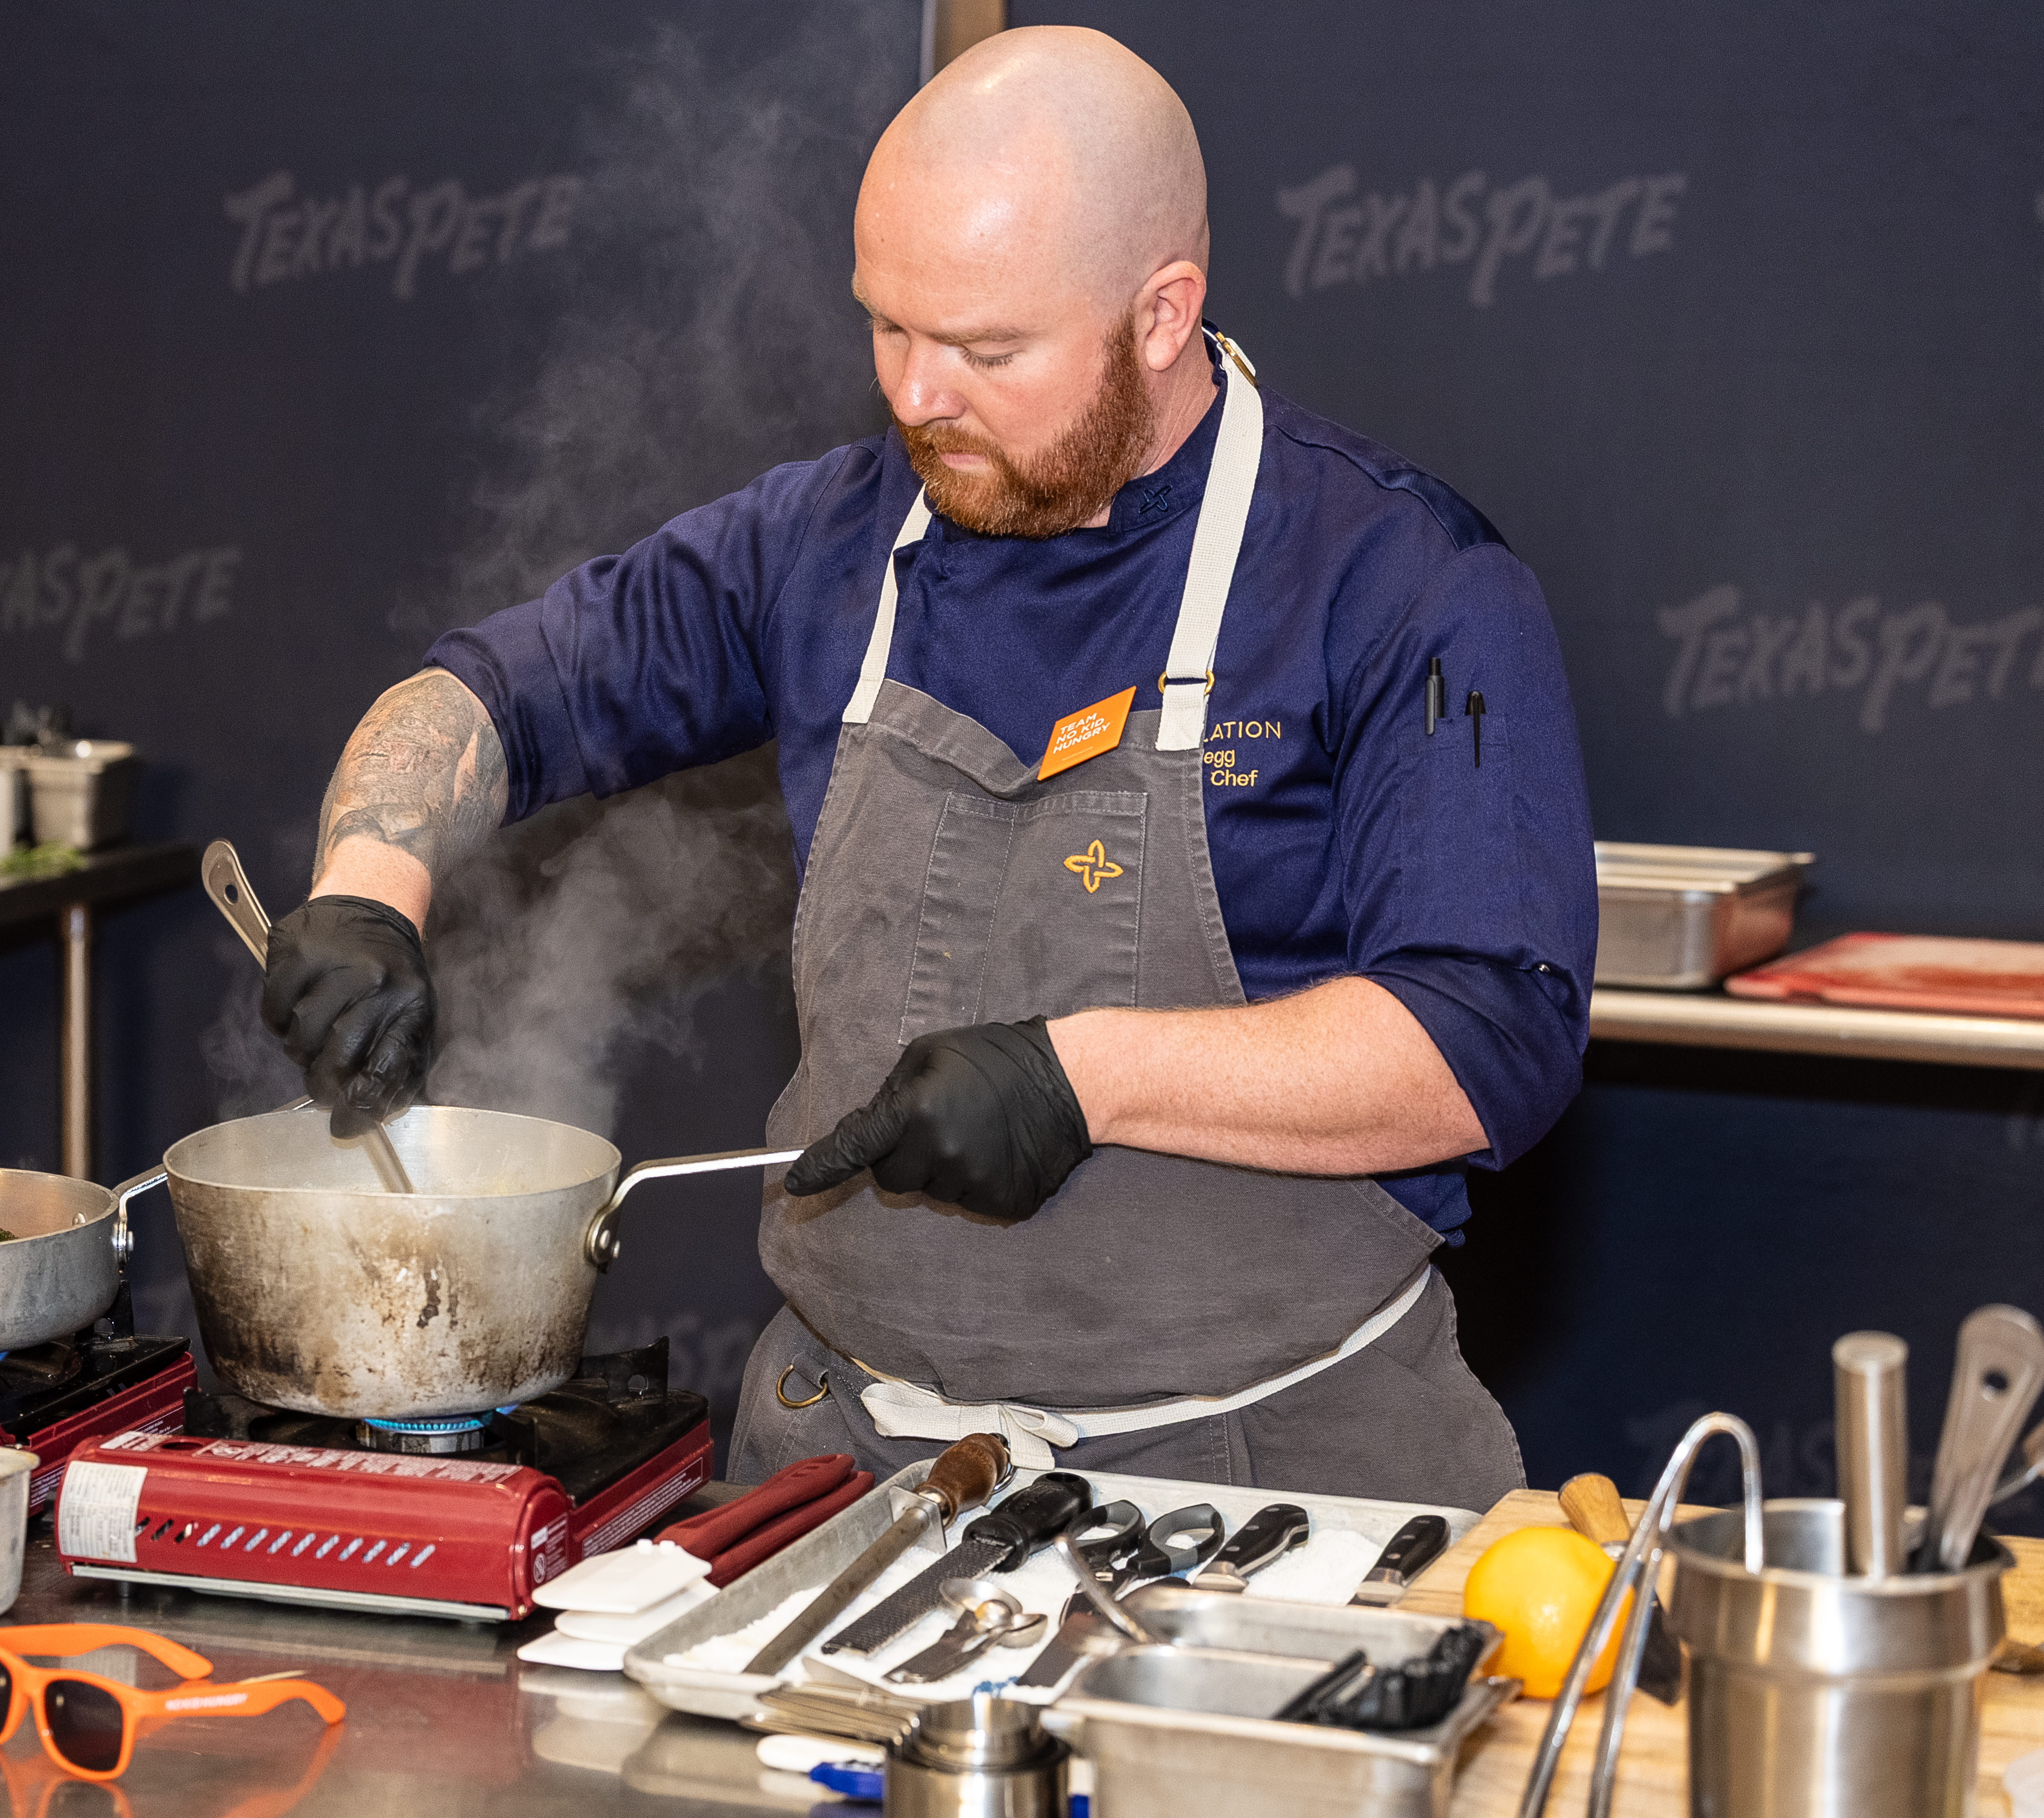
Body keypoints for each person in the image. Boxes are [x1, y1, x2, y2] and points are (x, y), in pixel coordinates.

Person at [260, 26, 1595, 1512]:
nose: (916, 396)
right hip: (844, 1469)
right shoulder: (825, 545)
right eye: (887, 327)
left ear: (1164, 316)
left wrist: (1085, 1074)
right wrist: (370, 881)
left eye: (987, 349)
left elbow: (1491, 1039)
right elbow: (490, 695)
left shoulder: (1404, 583)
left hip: (1270, 1481)